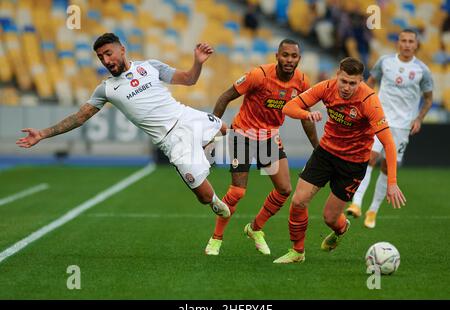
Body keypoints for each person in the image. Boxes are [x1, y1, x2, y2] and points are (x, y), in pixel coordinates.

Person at [16, 33, 231, 219]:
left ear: (122, 50)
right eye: (101, 57)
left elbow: (189, 79)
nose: (106, 60)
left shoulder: (151, 67)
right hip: (171, 141)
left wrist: (198, 62)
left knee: (227, 131)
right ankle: (213, 199)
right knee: (203, 197)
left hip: (186, 116)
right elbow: (79, 117)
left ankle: (252, 159)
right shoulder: (106, 89)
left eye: (108, 53)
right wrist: (43, 133)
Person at [273, 57, 406, 264]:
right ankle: (297, 251)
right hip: (325, 153)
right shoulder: (326, 87)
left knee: (330, 218)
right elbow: (288, 108)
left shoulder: (369, 101)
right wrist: (305, 115)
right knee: (298, 201)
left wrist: (392, 183)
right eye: (343, 81)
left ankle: (341, 229)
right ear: (338, 75)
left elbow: (388, 143)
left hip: (353, 164)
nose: (346, 87)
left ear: (361, 81)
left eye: (352, 83)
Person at [204, 39, 319, 256]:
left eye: (293, 56)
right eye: (285, 55)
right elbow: (225, 97)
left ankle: (255, 228)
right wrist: (211, 130)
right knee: (237, 192)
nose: (289, 60)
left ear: (299, 59)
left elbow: (306, 118)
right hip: (242, 135)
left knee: (285, 189)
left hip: (269, 138)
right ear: (277, 56)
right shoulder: (259, 75)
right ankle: (216, 238)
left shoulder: (302, 82)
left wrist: (318, 148)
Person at [346, 29, 433, 228]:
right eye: (403, 40)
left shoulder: (423, 70)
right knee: (369, 158)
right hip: (379, 119)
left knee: (387, 167)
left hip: (402, 127)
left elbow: (428, 99)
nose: (407, 44)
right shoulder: (385, 62)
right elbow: (370, 83)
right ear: (398, 43)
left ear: (416, 44)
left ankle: (373, 210)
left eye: (411, 41)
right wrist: (365, 104)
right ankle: (357, 204)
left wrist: (419, 118)